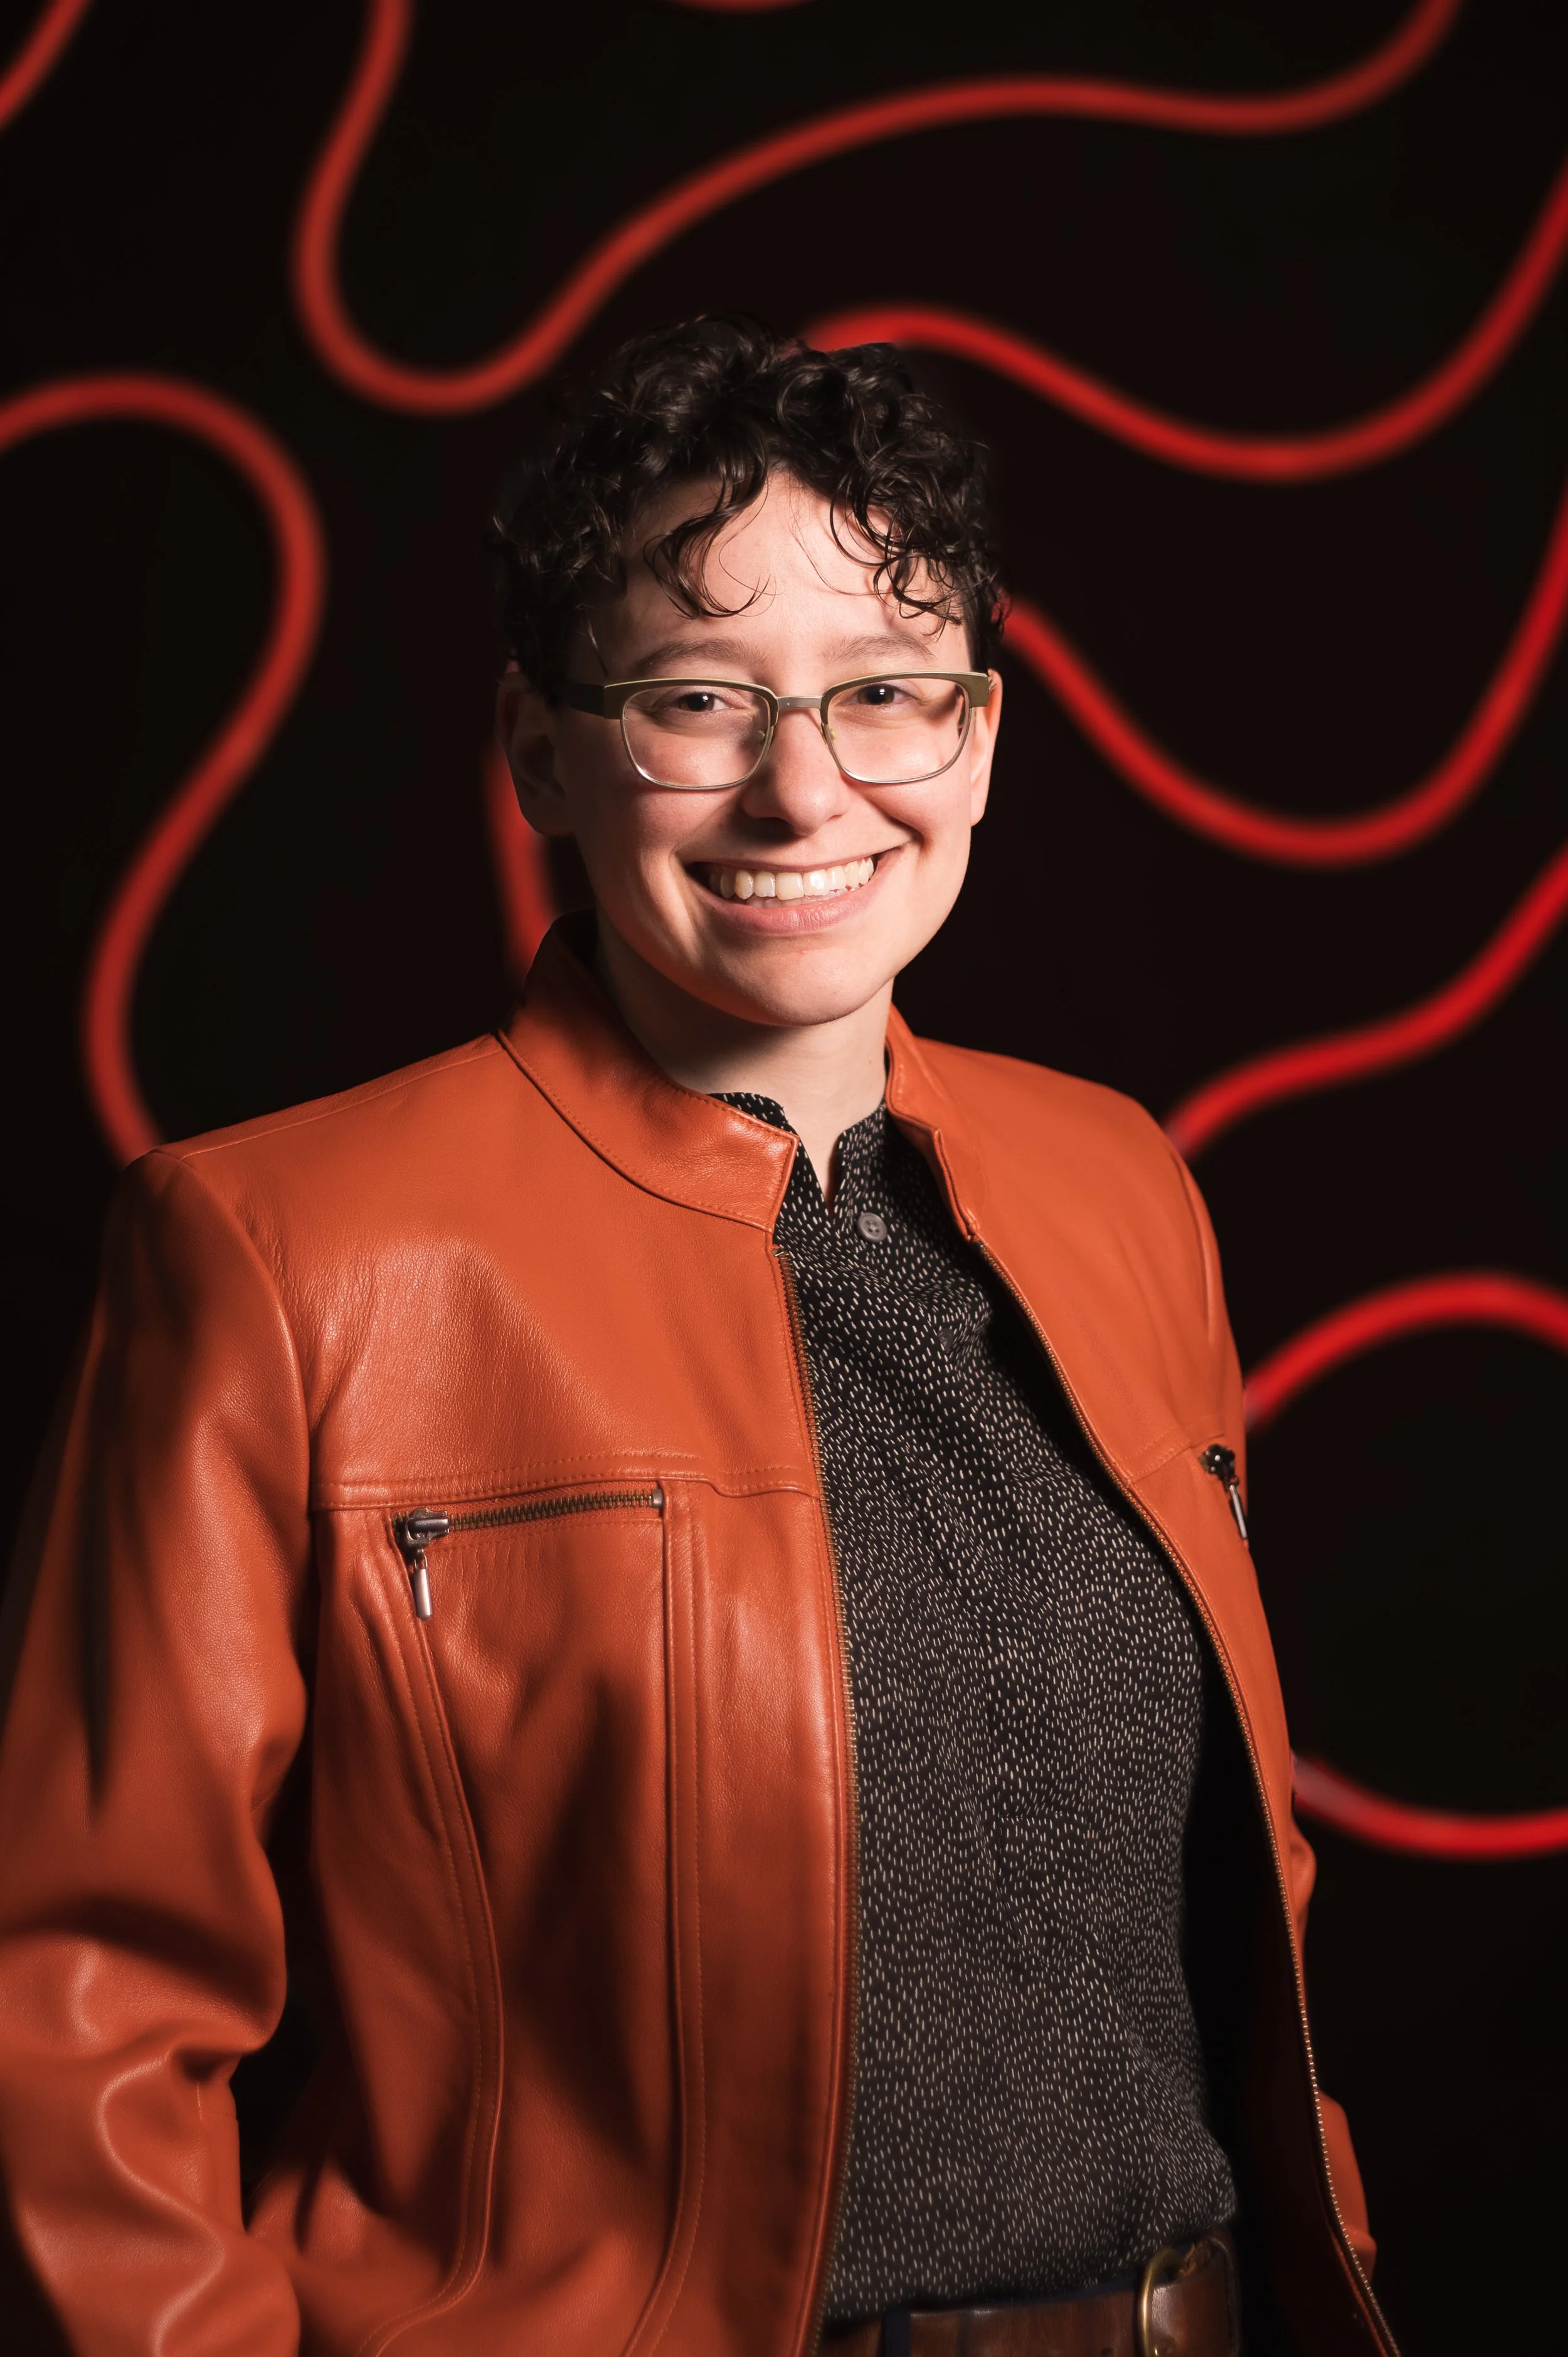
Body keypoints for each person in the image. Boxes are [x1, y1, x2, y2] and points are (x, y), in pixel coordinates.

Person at [0, 319, 1387, 2357]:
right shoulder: (283, 1249)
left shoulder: (1119, 1185)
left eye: (883, 690)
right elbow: (75, 2004)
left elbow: (1225, 1887)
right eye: (695, 698)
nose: (801, 786)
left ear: (979, 737)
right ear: (539, 750)